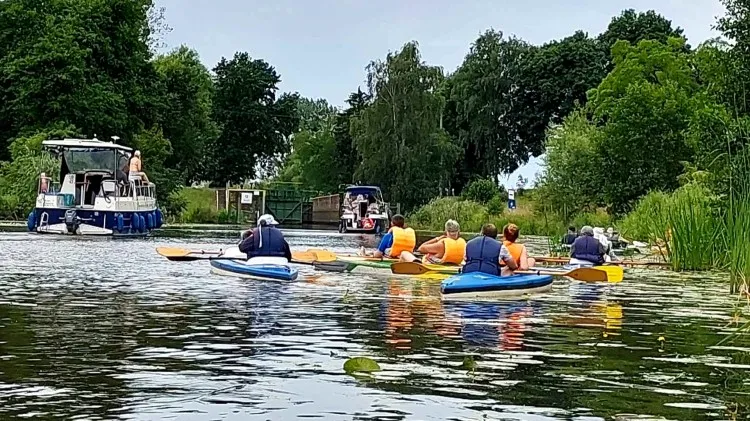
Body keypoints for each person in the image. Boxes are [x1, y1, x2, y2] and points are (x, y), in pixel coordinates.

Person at [400, 219, 466, 265]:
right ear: (458, 231)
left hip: (436, 266)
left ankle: (413, 263)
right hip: (454, 265)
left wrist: (437, 239)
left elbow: (421, 248)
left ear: (446, 231)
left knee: (404, 253)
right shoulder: (463, 243)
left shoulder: (442, 244)